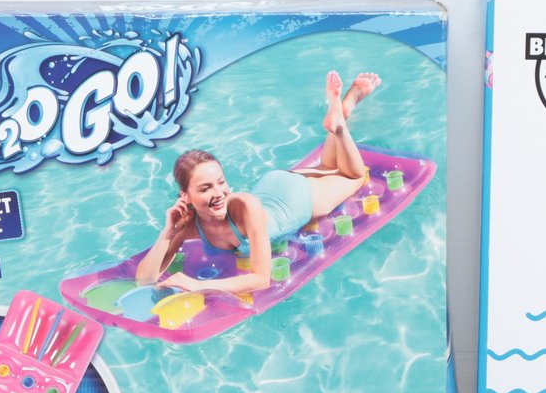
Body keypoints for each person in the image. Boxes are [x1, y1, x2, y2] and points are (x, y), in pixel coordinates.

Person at [135, 70, 380, 295]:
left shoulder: (245, 206)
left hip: (296, 199)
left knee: (355, 176)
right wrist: (167, 232)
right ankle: (344, 109)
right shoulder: (186, 225)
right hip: (272, 185)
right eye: (206, 188)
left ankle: (339, 127)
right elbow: (144, 280)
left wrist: (199, 286)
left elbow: (261, 279)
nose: (219, 193)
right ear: (185, 195)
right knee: (328, 168)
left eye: (221, 182)